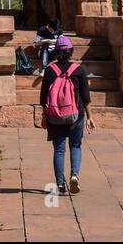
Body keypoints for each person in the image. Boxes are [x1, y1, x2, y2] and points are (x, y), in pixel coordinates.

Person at [40, 34, 93, 196]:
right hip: (76, 114)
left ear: (55, 53)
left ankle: (61, 184)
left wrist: (44, 116)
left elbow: (43, 98)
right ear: (71, 52)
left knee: (59, 150)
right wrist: (90, 116)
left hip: (55, 115)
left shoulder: (49, 70)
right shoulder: (78, 70)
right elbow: (85, 96)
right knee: (76, 146)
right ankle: (74, 175)